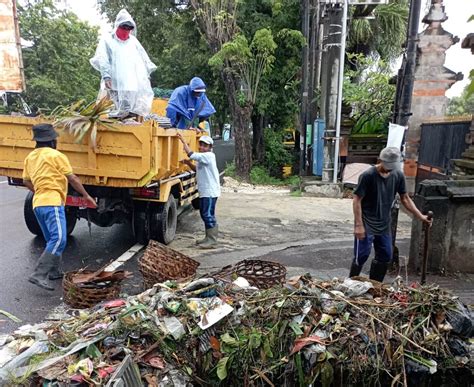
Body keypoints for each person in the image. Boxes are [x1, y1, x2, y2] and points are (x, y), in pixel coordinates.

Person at [23, 124, 97, 291]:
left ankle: (55, 271)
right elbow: (73, 179)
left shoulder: (31, 157)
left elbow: (26, 181)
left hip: (38, 203)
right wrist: (86, 196)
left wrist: (40, 190)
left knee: (51, 238)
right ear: (51, 141)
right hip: (52, 202)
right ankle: (39, 274)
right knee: (59, 239)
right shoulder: (56, 156)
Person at [349, 147, 432, 282]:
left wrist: (420, 216)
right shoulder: (368, 176)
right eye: (387, 165)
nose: (389, 169)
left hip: (384, 223)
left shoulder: (398, 175)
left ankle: (375, 285)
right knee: (361, 255)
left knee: (385, 255)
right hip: (366, 222)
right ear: (380, 160)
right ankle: (351, 284)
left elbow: (405, 198)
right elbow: (357, 200)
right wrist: (358, 225)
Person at [90, 9, 157, 118]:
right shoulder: (108, 40)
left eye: (128, 28)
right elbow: (103, 58)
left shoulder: (133, 42)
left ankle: (128, 118)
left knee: (130, 106)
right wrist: (106, 76)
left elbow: (143, 59)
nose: (126, 30)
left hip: (130, 81)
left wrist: (144, 77)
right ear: (117, 25)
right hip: (114, 81)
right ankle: (114, 118)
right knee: (113, 105)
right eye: (123, 27)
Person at [177, 132, 220, 248]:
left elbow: (191, 154)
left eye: (205, 146)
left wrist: (182, 140)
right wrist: (188, 163)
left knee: (207, 214)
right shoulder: (203, 158)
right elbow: (197, 169)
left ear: (210, 147)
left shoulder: (209, 156)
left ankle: (212, 240)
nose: (202, 147)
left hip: (210, 192)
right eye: (200, 145)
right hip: (205, 191)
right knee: (204, 213)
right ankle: (208, 238)